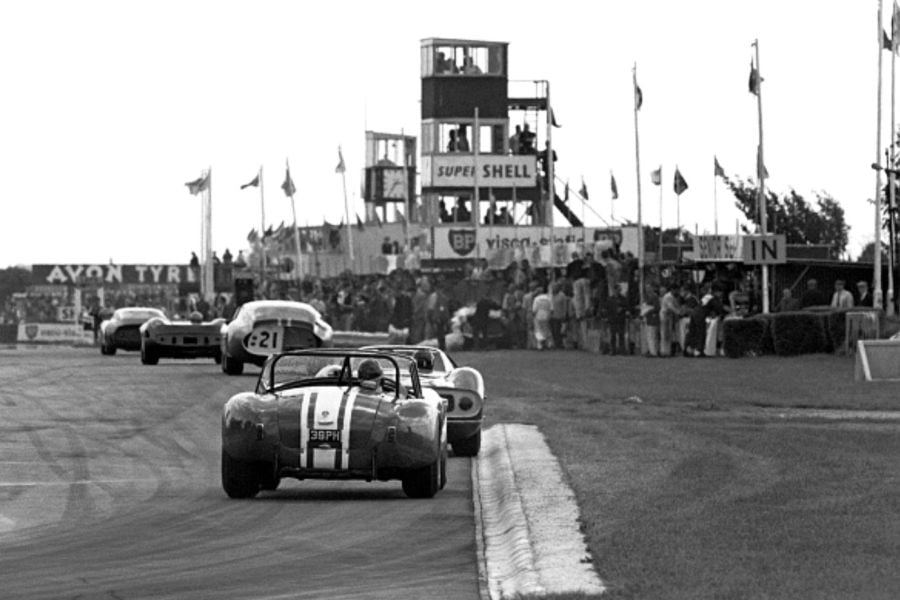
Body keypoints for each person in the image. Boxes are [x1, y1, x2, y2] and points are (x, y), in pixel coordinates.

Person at [532, 286, 552, 350]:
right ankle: (549, 344)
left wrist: (533, 314)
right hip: (547, 314)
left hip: (539, 314)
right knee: (546, 328)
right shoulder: (549, 298)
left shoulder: (536, 298)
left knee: (538, 329)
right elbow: (551, 308)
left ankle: (540, 344)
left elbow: (534, 309)